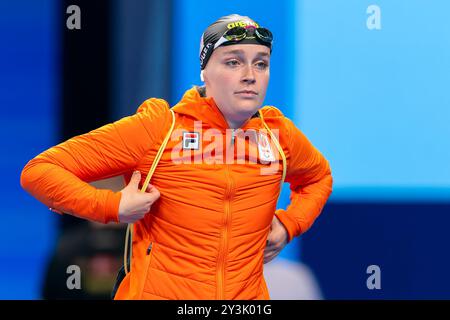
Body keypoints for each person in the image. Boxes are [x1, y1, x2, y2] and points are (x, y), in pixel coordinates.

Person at [20, 14, 333, 300]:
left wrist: (288, 225)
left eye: (261, 63)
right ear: (205, 71)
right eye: (233, 62)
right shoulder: (158, 128)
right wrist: (112, 206)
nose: (250, 75)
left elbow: (318, 178)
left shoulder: (277, 134)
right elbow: (41, 171)